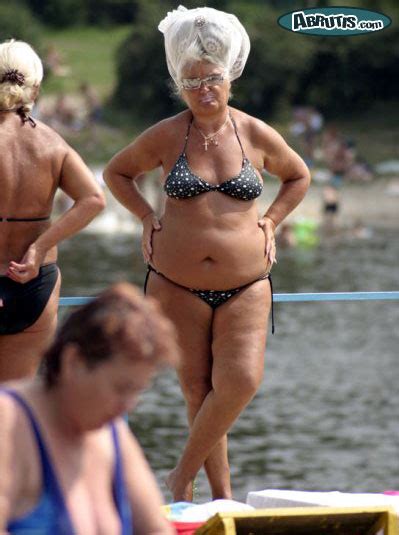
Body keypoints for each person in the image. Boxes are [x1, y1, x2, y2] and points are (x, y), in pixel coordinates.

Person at [104, 5, 311, 502]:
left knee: (240, 381)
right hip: (175, 282)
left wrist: (270, 220)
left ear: (229, 77)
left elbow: (299, 175)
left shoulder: (255, 133)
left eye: (211, 78)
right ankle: (221, 500)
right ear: (180, 85)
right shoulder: (167, 134)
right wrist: (146, 218)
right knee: (197, 392)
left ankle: (179, 478)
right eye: (191, 81)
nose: (203, 89)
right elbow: (116, 173)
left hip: (247, 284)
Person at [0, 282, 178, 534]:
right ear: (73, 361)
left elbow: (157, 530)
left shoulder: (112, 429)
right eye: (120, 388)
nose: (127, 406)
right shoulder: (8, 419)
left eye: (136, 392)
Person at [0, 40, 105, 381]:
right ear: (37, 88)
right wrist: (40, 246)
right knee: (16, 408)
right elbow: (93, 199)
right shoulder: (51, 144)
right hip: (33, 283)